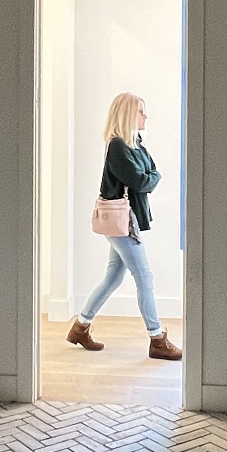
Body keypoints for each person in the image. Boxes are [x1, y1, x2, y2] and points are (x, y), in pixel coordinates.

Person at [67, 92, 182, 361]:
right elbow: (142, 181)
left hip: (125, 221)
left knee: (113, 277)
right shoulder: (117, 146)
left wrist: (150, 176)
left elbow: (152, 172)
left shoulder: (136, 144)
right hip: (122, 222)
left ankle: (80, 327)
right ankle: (157, 339)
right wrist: (150, 177)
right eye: (141, 111)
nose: (146, 116)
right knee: (145, 276)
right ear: (128, 114)